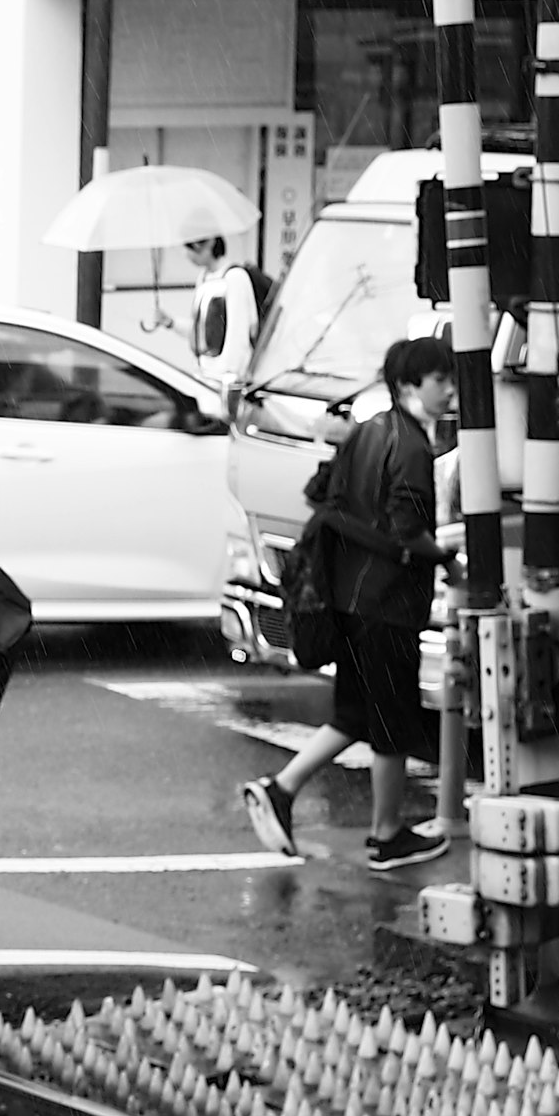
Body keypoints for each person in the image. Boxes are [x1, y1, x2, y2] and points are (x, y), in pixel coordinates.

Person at [241, 337, 456, 873]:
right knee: (391, 720)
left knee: (357, 713)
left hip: (349, 598)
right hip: (388, 602)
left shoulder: (367, 432)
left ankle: (281, 788)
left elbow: (321, 493)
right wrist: (448, 559)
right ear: (410, 385)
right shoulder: (410, 445)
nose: (450, 390)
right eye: (440, 380)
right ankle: (386, 836)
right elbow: (408, 531)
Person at [182, 234, 263, 384]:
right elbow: (199, 328)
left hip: (226, 378)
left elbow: (238, 334)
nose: (187, 255)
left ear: (209, 244)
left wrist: (230, 375)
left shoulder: (234, 277)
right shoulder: (204, 278)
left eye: (191, 247)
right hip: (206, 373)